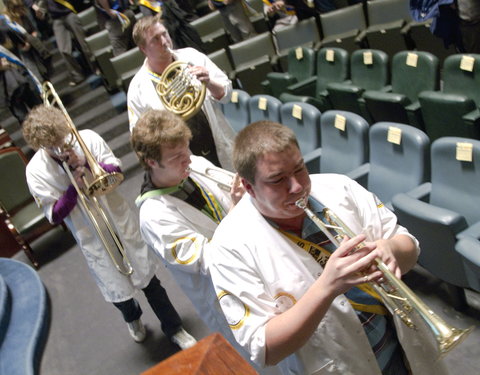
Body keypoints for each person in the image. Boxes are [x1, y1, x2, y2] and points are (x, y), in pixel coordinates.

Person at [208, 121, 450, 374]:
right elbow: (266, 349)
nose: (298, 186)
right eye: (278, 180)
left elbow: (409, 248)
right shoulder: (228, 246)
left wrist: (392, 249)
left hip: (405, 346)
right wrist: (327, 287)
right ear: (249, 187)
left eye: (300, 169)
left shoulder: (340, 187)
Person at [23, 105, 197, 350]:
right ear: (40, 145)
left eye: (61, 140)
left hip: (117, 217)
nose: (59, 148)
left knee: (149, 280)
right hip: (91, 233)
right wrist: (74, 184)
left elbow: (115, 170)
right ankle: (133, 317)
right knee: (118, 289)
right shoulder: (36, 171)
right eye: (51, 146)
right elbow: (54, 215)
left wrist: (86, 165)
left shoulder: (87, 139)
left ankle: (175, 328)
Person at [127, 14, 235, 170]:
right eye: (155, 39)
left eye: (164, 34)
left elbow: (227, 95)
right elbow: (139, 138)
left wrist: (209, 82)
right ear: (143, 49)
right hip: (182, 158)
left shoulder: (191, 56)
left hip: (219, 142)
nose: (164, 42)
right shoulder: (137, 88)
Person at [33, 0, 96, 86]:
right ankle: (77, 75)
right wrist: (40, 13)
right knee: (63, 50)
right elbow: (42, 12)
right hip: (56, 19)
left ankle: (96, 68)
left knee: (84, 44)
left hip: (69, 13)